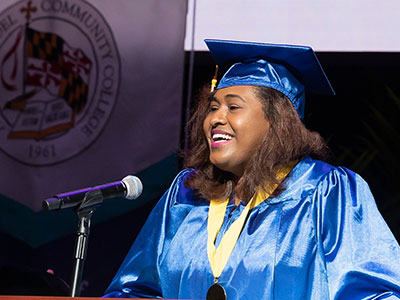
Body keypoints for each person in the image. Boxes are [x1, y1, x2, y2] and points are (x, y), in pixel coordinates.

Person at [103, 39, 400, 299]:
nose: (215, 119)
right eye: (213, 107)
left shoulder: (325, 191)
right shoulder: (185, 196)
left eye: (233, 107)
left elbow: (372, 292)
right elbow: (135, 291)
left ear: (276, 122)